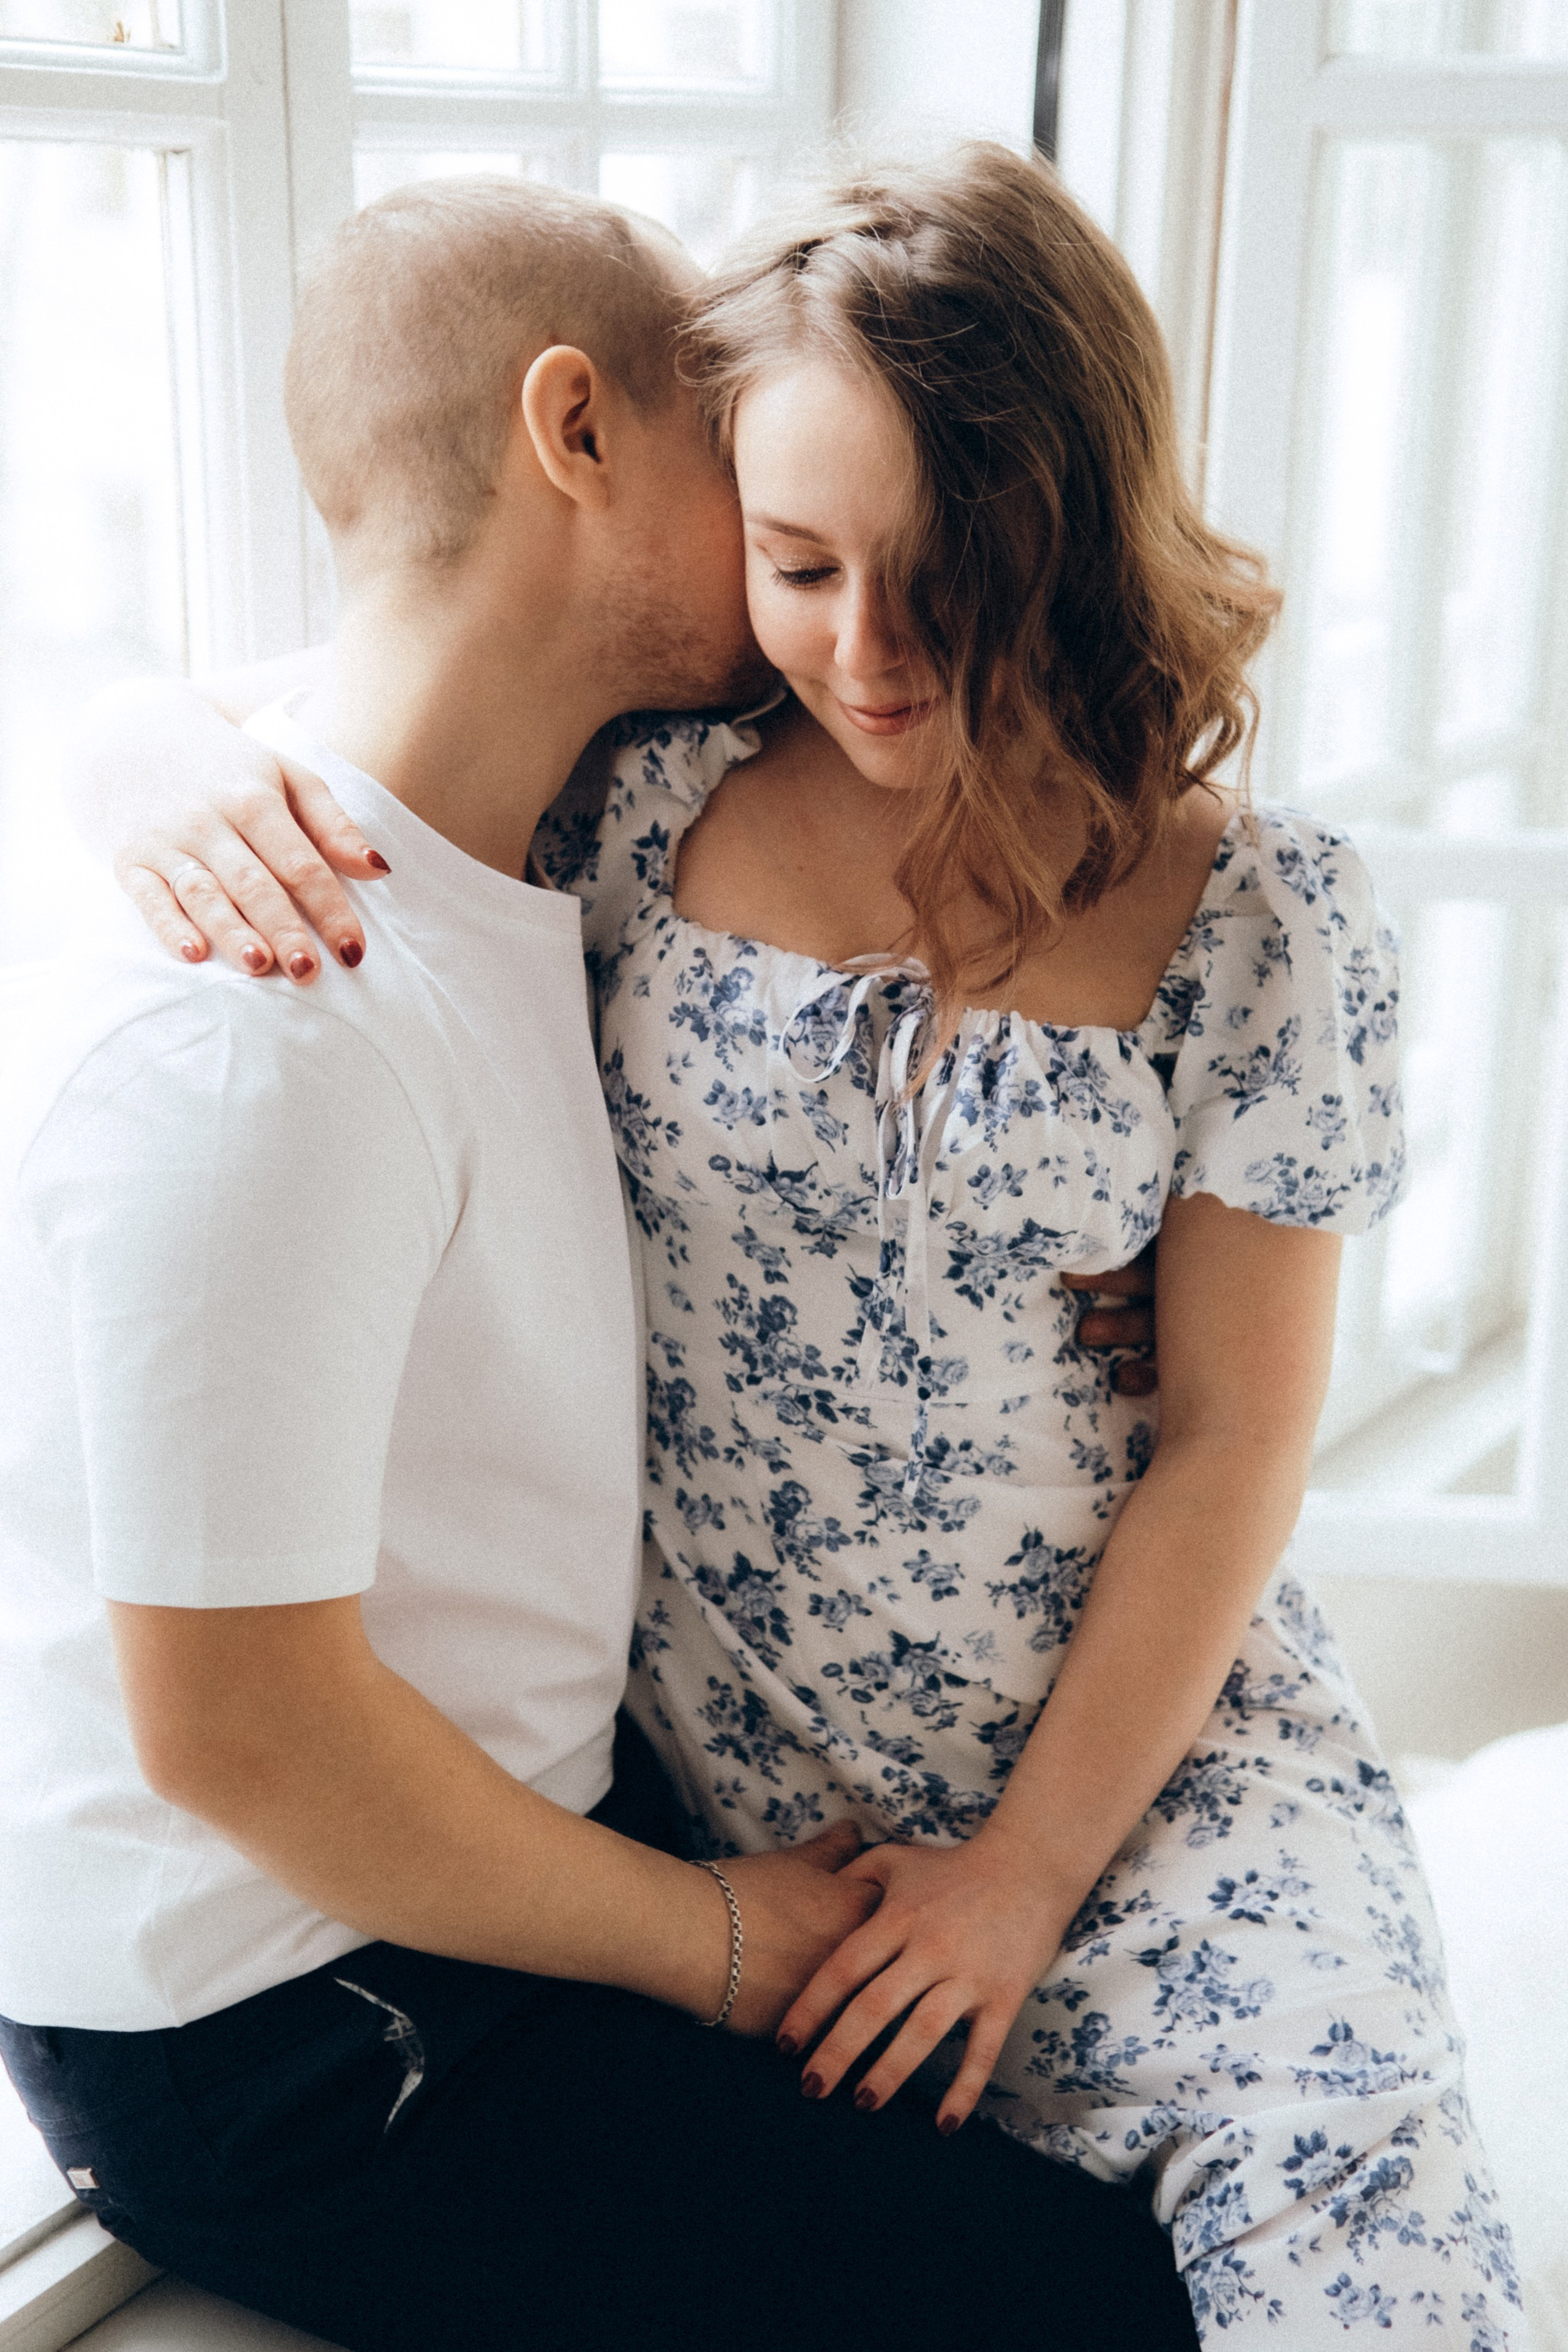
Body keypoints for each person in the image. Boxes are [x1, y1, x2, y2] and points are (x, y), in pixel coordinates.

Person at [67, 151, 1518, 2345]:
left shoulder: (1261, 915)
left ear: (1071, 528)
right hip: (744, 1788)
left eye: (942, 569)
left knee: (1356, 2256)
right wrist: (127, 752)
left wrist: (1028, 1878)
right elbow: (356, 674)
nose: (868, 646)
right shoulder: (638, 797)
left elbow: (1233, 1444)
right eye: (801, 560)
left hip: (1124, 1768)